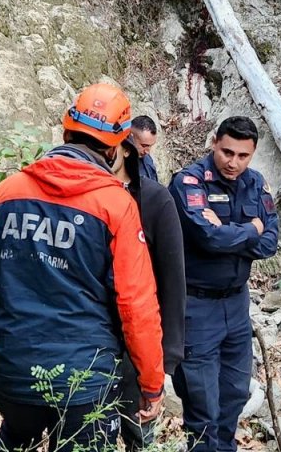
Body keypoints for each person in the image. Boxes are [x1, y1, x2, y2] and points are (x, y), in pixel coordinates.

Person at [0, 83, 165, 452]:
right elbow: (136, 306)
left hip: (13, 373)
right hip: (83, 384)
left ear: (65, 130)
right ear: (115, 146)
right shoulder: (115, 206)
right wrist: (151, 382)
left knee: (14, 438)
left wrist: (2, 349)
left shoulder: (6, 193)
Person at [168, 116, 279, 452]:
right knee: (203, 406)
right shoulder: (189, 182)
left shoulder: (257, 184)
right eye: (227, 152)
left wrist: (237, 233)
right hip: (197, 306)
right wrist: (251, 228)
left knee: (233, 396)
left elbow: (270, 242)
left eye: (243, 156)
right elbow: (209, 238)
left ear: (253, 153)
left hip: (236, 303)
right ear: (214, 142)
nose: (233, 163)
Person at [112, 136, 186, 451]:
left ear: (125, 149)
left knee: (138, 434)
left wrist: (165, 358)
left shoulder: (155, 200)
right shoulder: (81, 198)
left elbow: (173, 282)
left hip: (138, 338)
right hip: (87, 335)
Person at [130, 115, 160, 182]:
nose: (147, 151)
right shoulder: (118, 164)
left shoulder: (147, 159)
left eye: (150, 146)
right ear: (130, 137)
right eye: (144, 146)